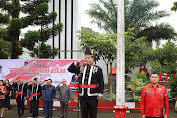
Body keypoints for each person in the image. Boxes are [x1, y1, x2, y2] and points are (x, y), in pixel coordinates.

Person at [68, 48, 104, 118]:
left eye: (89, 58)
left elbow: (101, 82)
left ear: (93, 59)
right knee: (84, 114)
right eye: (85, 58)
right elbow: (70, 69)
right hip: (82, 96)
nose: (87, 60)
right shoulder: (81, 68)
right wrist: (77, 62)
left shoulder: (97, 69)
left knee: (92, 114)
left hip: (93, 96)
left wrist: (100, 94)